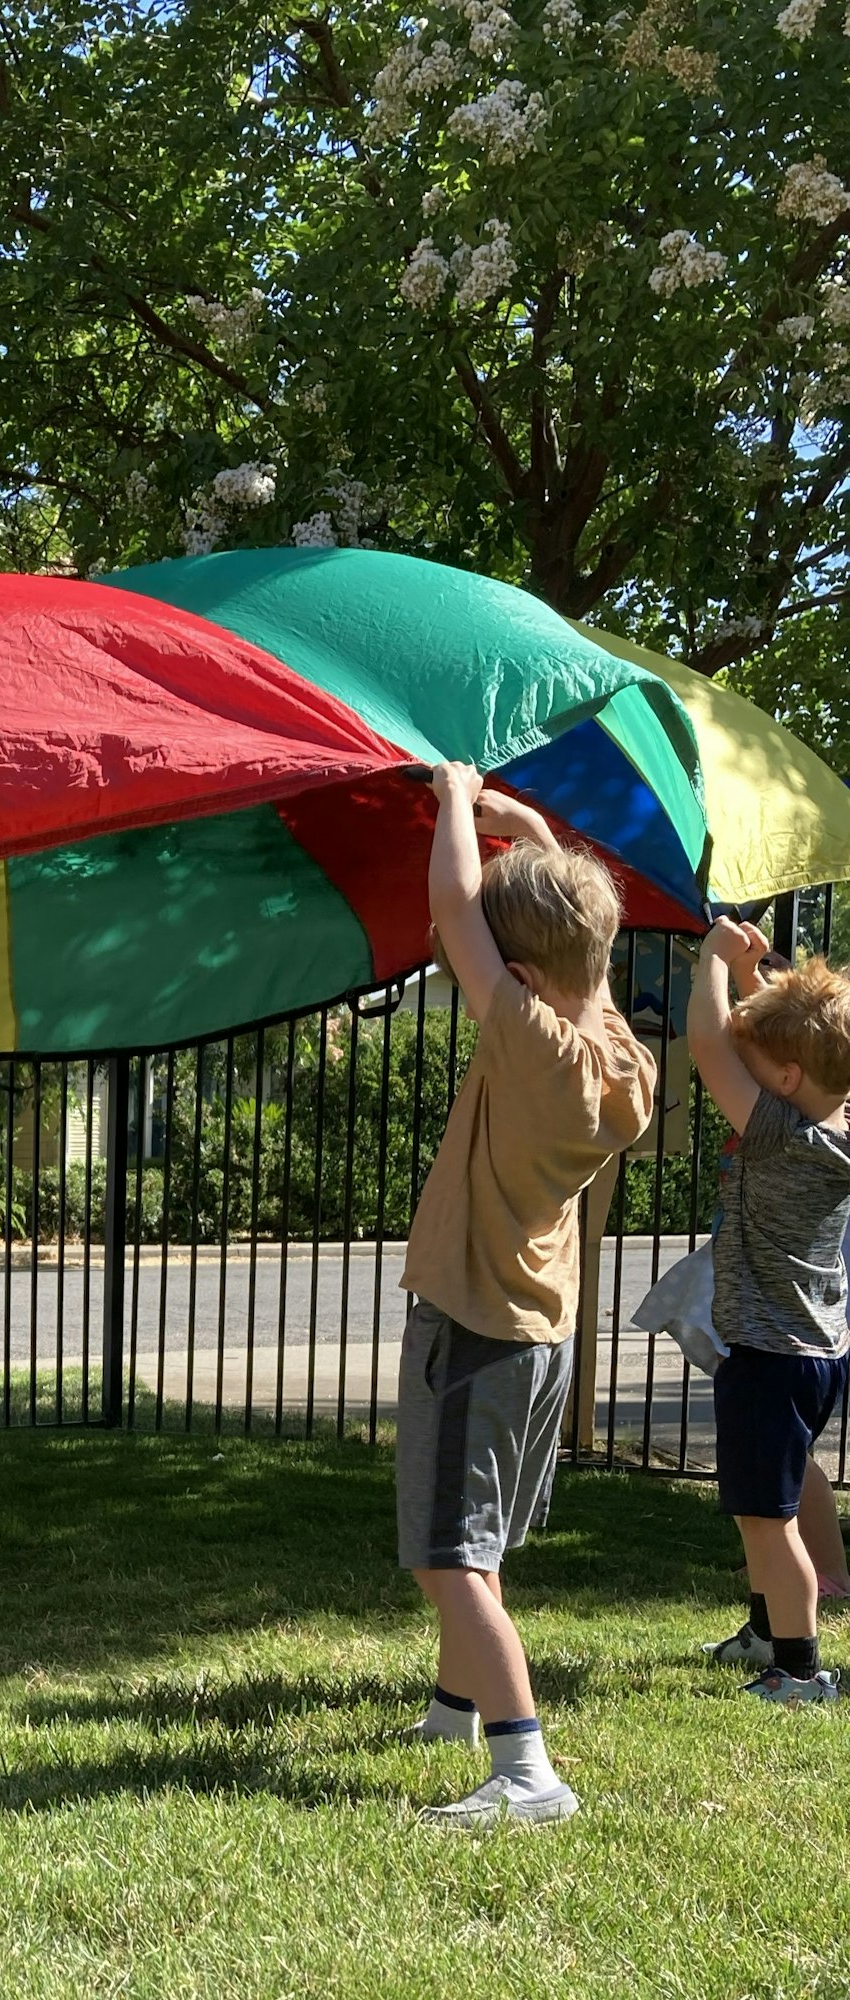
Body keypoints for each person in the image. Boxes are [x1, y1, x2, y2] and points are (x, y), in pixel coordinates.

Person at [396, 763, 655, 1827]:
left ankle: (524, 1769)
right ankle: (458, 1703)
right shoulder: (618, 1063)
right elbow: (569, 956)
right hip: (536, 1328)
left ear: (515, 976)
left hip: (474, 1321)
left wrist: (457, 797)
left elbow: (454, 906)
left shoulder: (531, 1042)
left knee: (447, 1553)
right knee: (483, 1534)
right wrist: (533, 831)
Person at [685, 918, 850, 1703]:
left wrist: (717, 960)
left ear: (783, 1079)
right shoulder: (833, 1120)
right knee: (763, 1501)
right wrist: (765, 982)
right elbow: (769, 1045)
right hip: (812, 1353)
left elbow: (711, 1044)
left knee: (768, 1518)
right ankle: (764, 1628)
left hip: (772, 1356)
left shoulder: (782, 1134)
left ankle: (799, 1668)